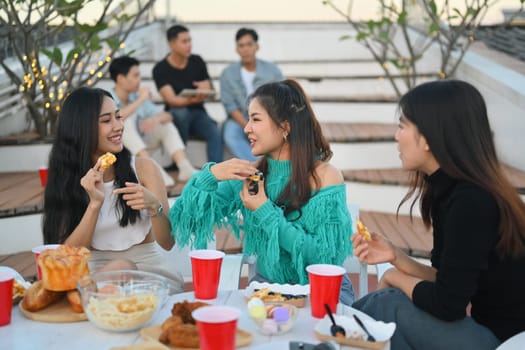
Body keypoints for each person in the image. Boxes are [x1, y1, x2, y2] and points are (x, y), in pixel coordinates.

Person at [351, 80, 525, 349]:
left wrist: (395, 277)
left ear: (430, 137)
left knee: (390, 305)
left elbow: (448, 304)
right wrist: (395, 257)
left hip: (504, 342)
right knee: (388, 303)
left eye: (402, 125)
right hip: (483, 331)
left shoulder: (473, 202)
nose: (397, 136)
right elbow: (447, 280)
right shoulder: (452, 192)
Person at [170, 79, 355, 305]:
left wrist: (264, 210)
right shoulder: (249, 175)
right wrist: (211, 175)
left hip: (322, 293)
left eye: (256, 119)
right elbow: (184, 220)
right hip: (268, 291)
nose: (246, 128)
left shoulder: (325, 176)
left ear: (285, 127)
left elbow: (325, 258)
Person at [42, 87, 184, 291]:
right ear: (82, 127)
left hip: (150, 273)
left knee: (121, 268)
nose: (118, 126)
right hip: (94, 274)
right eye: (107, 120)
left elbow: (167, 242)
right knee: (105, 278)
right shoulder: (67, 179)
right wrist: (94, 204)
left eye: (118, 117)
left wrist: (154, 207)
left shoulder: (144, 168)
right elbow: (68, 256)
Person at [109, 56, 198, 183]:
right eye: (135, 76)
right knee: (123, 123)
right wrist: (141, 99)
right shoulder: (108, 99)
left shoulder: (135, 96)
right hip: (120, 150)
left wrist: (156, 119)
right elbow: (117, 118)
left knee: (164, 124)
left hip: (141, 147)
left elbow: (168, 116)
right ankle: (154, 171)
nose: (139, 80)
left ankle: (185, 168)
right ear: (120, 79)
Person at [152, 24, 223, 163]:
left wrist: (206, 87)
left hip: (198, 112)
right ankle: (180, 163)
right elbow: (172, 100)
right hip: (175, 114)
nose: (189, 45)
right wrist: (195, 98)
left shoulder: (197, 61)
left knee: (214, 131)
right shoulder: (160, 69)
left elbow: (209, 88)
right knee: (180, 113)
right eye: (184, 41)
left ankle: (215, 170)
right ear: (171, 44)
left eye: (190, 40)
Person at [220, 27, 284, 161]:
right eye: (241, 46)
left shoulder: (272, 71)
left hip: (268, 116)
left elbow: (282, 97)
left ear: (257, 46)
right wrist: (249, 124)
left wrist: (263, 121)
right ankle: (259, 166)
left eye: (249, 44)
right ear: (236, 49)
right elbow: (230, 106)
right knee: (230, 134)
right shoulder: (227, 74)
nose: (245, 49)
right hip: (239, 119)